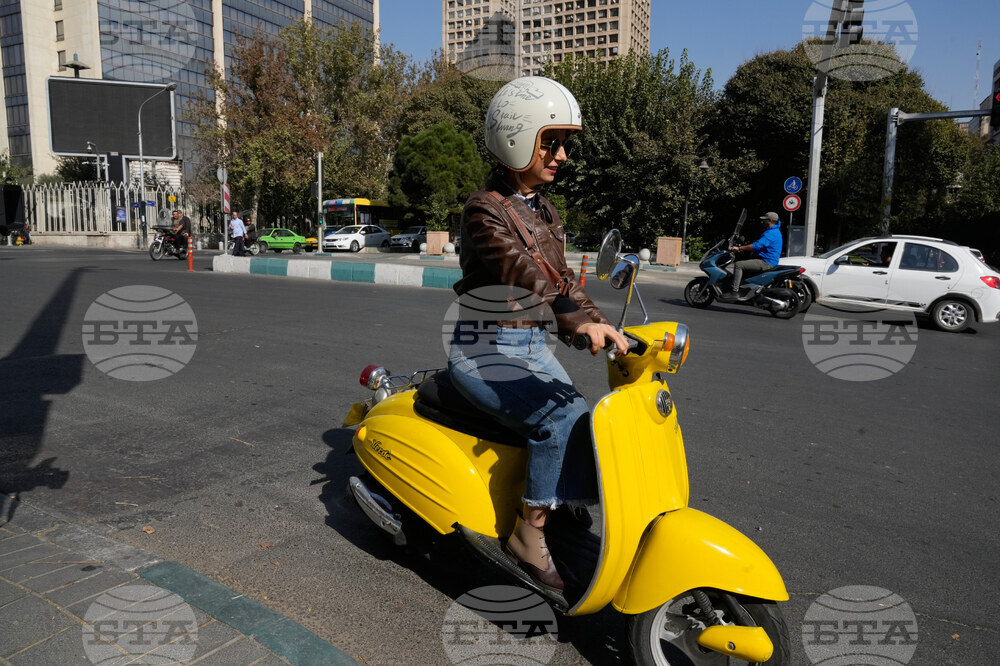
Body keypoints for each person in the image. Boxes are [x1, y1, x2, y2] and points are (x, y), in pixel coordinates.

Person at [448, 76, 628, 593]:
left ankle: (555, 510)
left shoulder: (542, 208)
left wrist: (600, 323)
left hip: (529, 346)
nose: (563, 155)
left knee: (588, 423)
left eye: (565, 143)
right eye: (552, 142)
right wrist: (576, 322)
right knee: (560, 418)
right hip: (485, 350)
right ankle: (528, 537)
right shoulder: (485, 209)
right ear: (516, 138)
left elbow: (564, 280)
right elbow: (524, 275)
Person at [728, 212, 783, 299]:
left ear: (771, 221)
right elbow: (761, 246)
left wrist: (739, 248)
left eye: (765, 220)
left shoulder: (771, 233)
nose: (763, 222)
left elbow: (756, 245)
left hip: (766, 262)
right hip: (768, 260)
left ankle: (734, 292)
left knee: (738, 265)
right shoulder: (773, 231)